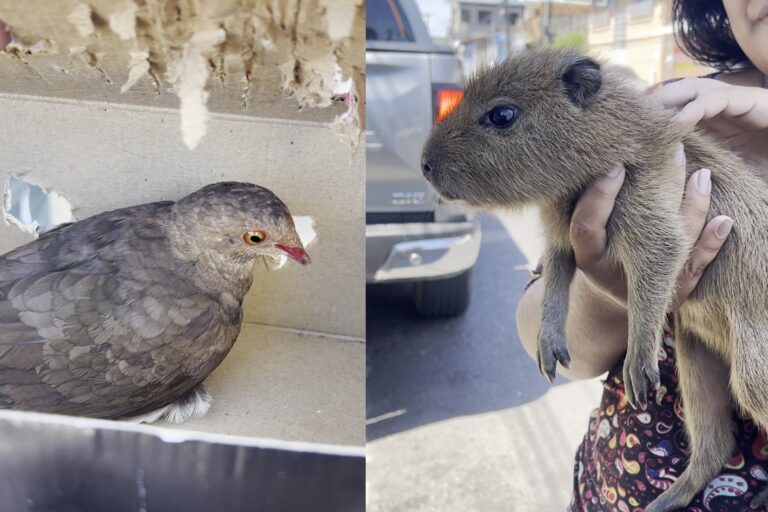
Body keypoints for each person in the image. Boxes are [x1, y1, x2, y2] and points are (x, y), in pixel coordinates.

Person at [516, 0, 768, 510]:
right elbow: (551, 336)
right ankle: (700, 466)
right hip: (613, 483)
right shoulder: (675, 106)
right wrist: (608, 288)